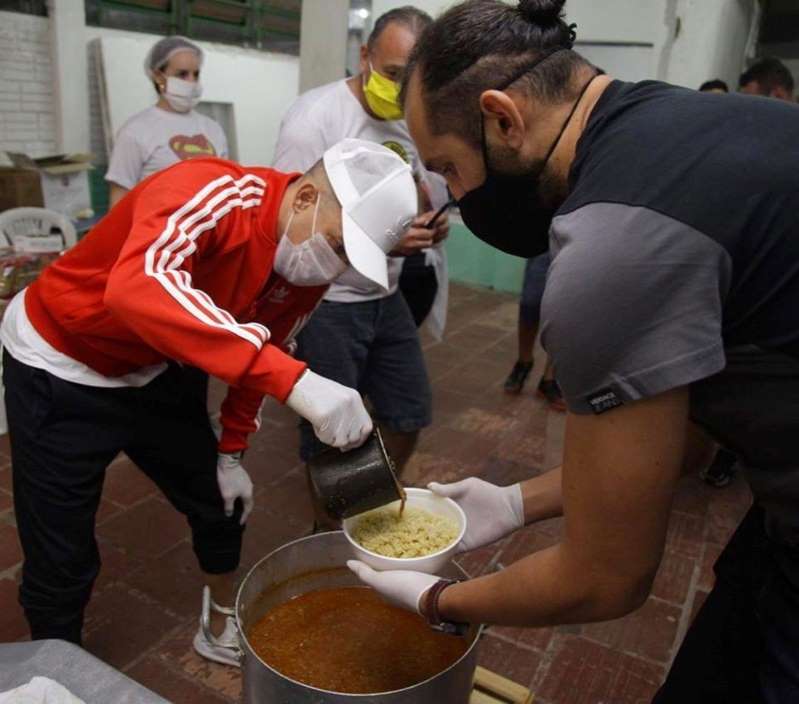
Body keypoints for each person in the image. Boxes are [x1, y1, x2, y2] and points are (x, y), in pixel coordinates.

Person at [347, 2, 799, 702]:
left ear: (502, 118)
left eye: (450, 169)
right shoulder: (671, 119)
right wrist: (513, 502)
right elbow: (685, 448)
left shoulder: (613, 249)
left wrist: (438, 603)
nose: (457, 200)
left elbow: (604, 578)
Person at [1, 138, 418, 666]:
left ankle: (219, 623)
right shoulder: (211, 192)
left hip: (157, 365)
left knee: (222, 506)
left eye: (350, 261)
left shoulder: (305, 265)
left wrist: (232, 454)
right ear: (307, 197)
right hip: (63, 361)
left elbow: (262, 344)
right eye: (338, 246)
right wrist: (295, 382)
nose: (334, 270)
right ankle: (55, 668)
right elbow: (137, 290)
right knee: (61, 551)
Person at [273, 6, 449, 492]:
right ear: (365, 54)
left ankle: (364, 499)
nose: (401, 90)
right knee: (330, 435)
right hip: (329, 302)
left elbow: (417, 191)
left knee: (407, 413)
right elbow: (292, 224)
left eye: (414, 79)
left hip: (385, 293)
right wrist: (382, 240)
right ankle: (327, 528)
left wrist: (427, 227)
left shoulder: (409, 119)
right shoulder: (316, 118)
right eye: (394, 75)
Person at [105, 36, 229, 208]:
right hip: (161, 232)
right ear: (158, 76)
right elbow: (119, 197)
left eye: (196, 74)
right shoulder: (135, 131)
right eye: (182, 74)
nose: (191, 82)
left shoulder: (212, 129)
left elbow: (225, 185)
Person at [503, 251, 565, 411]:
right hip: (543, 241)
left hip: (578, 241)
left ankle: (549, 378)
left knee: (563, 310)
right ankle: (524, 362)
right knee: (530, 303)